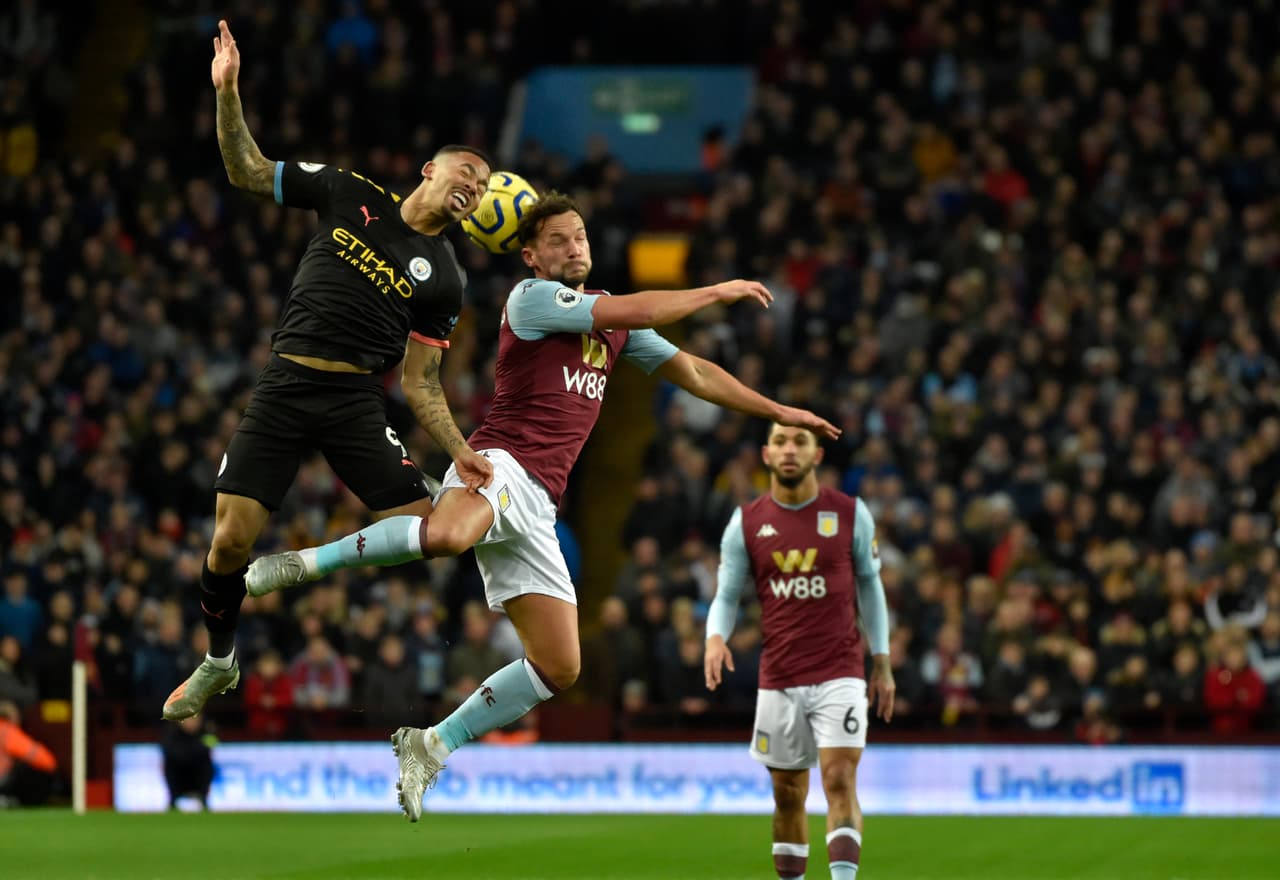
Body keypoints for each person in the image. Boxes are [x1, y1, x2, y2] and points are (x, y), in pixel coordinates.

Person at [244, 190, 839, 821]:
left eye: (579, 236)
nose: (574, 246)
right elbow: (633, 305)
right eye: (558, 239)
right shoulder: (531, 301)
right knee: (447, 537)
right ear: (530, 255)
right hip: (500, 461)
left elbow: (692, 372)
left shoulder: (612, 328)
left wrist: (777, 411)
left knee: (560, 665)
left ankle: (432, 743)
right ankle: (305, 564)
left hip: (540, 502)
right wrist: (712, 293)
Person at [162, 20, 494, 721]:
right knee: (228, 541)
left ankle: (307, 565)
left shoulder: (445, 281)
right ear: (430, 170)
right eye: (466, 173)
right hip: (285, 384)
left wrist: (460, 450)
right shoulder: (348, 192)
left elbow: (422, 382)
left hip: (352, 400)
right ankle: (221, 662)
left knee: (428, 529)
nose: (474, 188)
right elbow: (247, 171)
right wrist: (229, 92)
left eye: (485, 187)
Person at [704, 423, 894, 880]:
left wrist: (882, 661)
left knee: (837, 778)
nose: (790, 450)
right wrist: (714, 636)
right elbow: (727, 595)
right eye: (781, 442)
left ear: (816, 457)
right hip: (780, 676)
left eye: (801, 442)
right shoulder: (746, 522)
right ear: (767, 455)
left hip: (841, 670)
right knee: (787, 793)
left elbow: (870, 585)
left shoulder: (849, 513)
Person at [161, 714, 216, 810]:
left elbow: (211, 744)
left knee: (206, 766)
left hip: (198, 775)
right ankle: (173, 800)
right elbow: (170, 751)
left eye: (194, 719)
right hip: (179, 775)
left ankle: (203, 798)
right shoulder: (171, 733)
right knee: (171, 765)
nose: (191, 722)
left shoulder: (207, 731)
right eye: (187, 719)